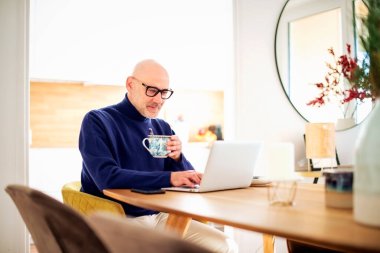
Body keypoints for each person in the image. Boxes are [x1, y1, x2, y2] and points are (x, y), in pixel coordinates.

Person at [79, 59, 237, 253]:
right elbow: (106, 177)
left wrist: (178, 158)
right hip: (119, 219)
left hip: (160, 215)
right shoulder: (98, 120)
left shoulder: (162, 127)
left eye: (164, 92)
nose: (159, 100)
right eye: (152, 90)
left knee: (225, 245)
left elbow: (183, 178)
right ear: (130, 84)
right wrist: (170, 177)